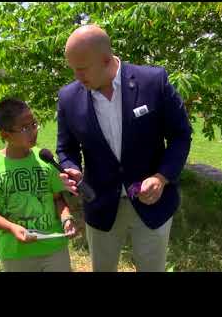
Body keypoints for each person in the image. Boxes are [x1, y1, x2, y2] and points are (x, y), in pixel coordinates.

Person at [56, 24, 192, 272]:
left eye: (82, 69)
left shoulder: (153, 81)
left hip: (153, 204)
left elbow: (181, 135)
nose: (76, 76)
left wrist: (161, 178)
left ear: (106, 60)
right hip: (100, 204)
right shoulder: (68, 97)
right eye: (72, 69)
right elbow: (65, 149)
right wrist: (71, 168)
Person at [0, 98, 77, 272]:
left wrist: (66, 219)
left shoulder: (45, 159)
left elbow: (58, 199)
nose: (33, 131)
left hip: (54, 248)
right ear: (5, 135)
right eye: (24, 128)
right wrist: (12, 227)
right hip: (16, 253)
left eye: (34, 124)